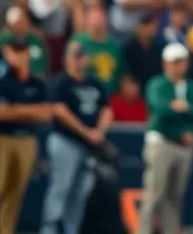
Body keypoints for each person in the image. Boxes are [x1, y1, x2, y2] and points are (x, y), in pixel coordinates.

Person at [138, 42, 193, 234]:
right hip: (161, 143)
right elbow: (161, 110)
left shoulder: (191, 87)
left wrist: (185, 107)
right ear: (166, 64)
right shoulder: (158, 84)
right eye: (174, 62)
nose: (178, 66)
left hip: (184, 148)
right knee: (154, 194)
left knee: (175, 197)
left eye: (181, 62)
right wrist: (183, 125)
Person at [41, 39, 112, 234]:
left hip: (89, 146)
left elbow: (107, 110)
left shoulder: (96, 83)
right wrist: (86, 132)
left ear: (87, 59)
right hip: (66, 141)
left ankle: (72, 230)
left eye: (80, 56)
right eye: (73, 56)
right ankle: (50, 229)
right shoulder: (60, 83)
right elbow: (60, 111)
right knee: (61, 188)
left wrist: (99, 131)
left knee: (81, 193)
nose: (77, 61)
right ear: (67, 59)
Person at [0, 37, 55, 234]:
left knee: (16, 191)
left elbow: (47, 113)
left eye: (22, 51)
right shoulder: (3, 80)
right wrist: (30, 111)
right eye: (14, 51)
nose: (18, 55)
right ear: (7, 54)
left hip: (26, 139)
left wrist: (15, 109)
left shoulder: (37, 83)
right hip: (3, 138)